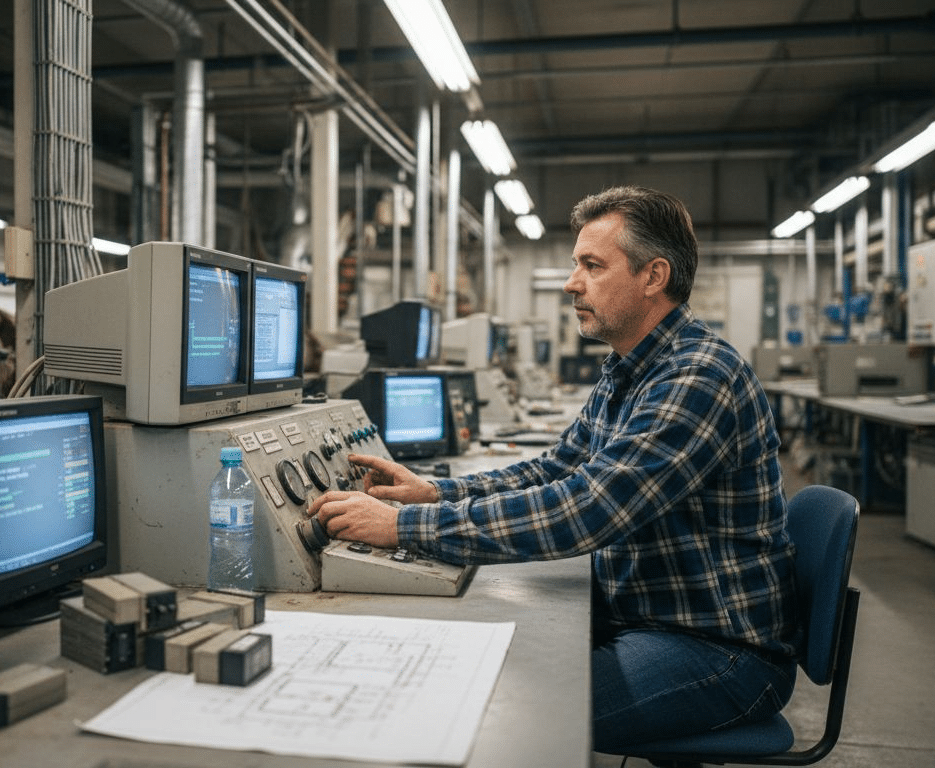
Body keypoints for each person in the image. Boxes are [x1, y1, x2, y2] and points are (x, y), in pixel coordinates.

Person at [307, 184, 799, 753]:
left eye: (592, 265)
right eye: (576, 266)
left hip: (720, 649)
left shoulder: (697, 375)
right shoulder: (629, 371)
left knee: (492, 711)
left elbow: (586, 510)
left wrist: (399, 528)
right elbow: (554, 470)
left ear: (653, 276)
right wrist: (434, 492)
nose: (571, 283)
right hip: (649, 616)